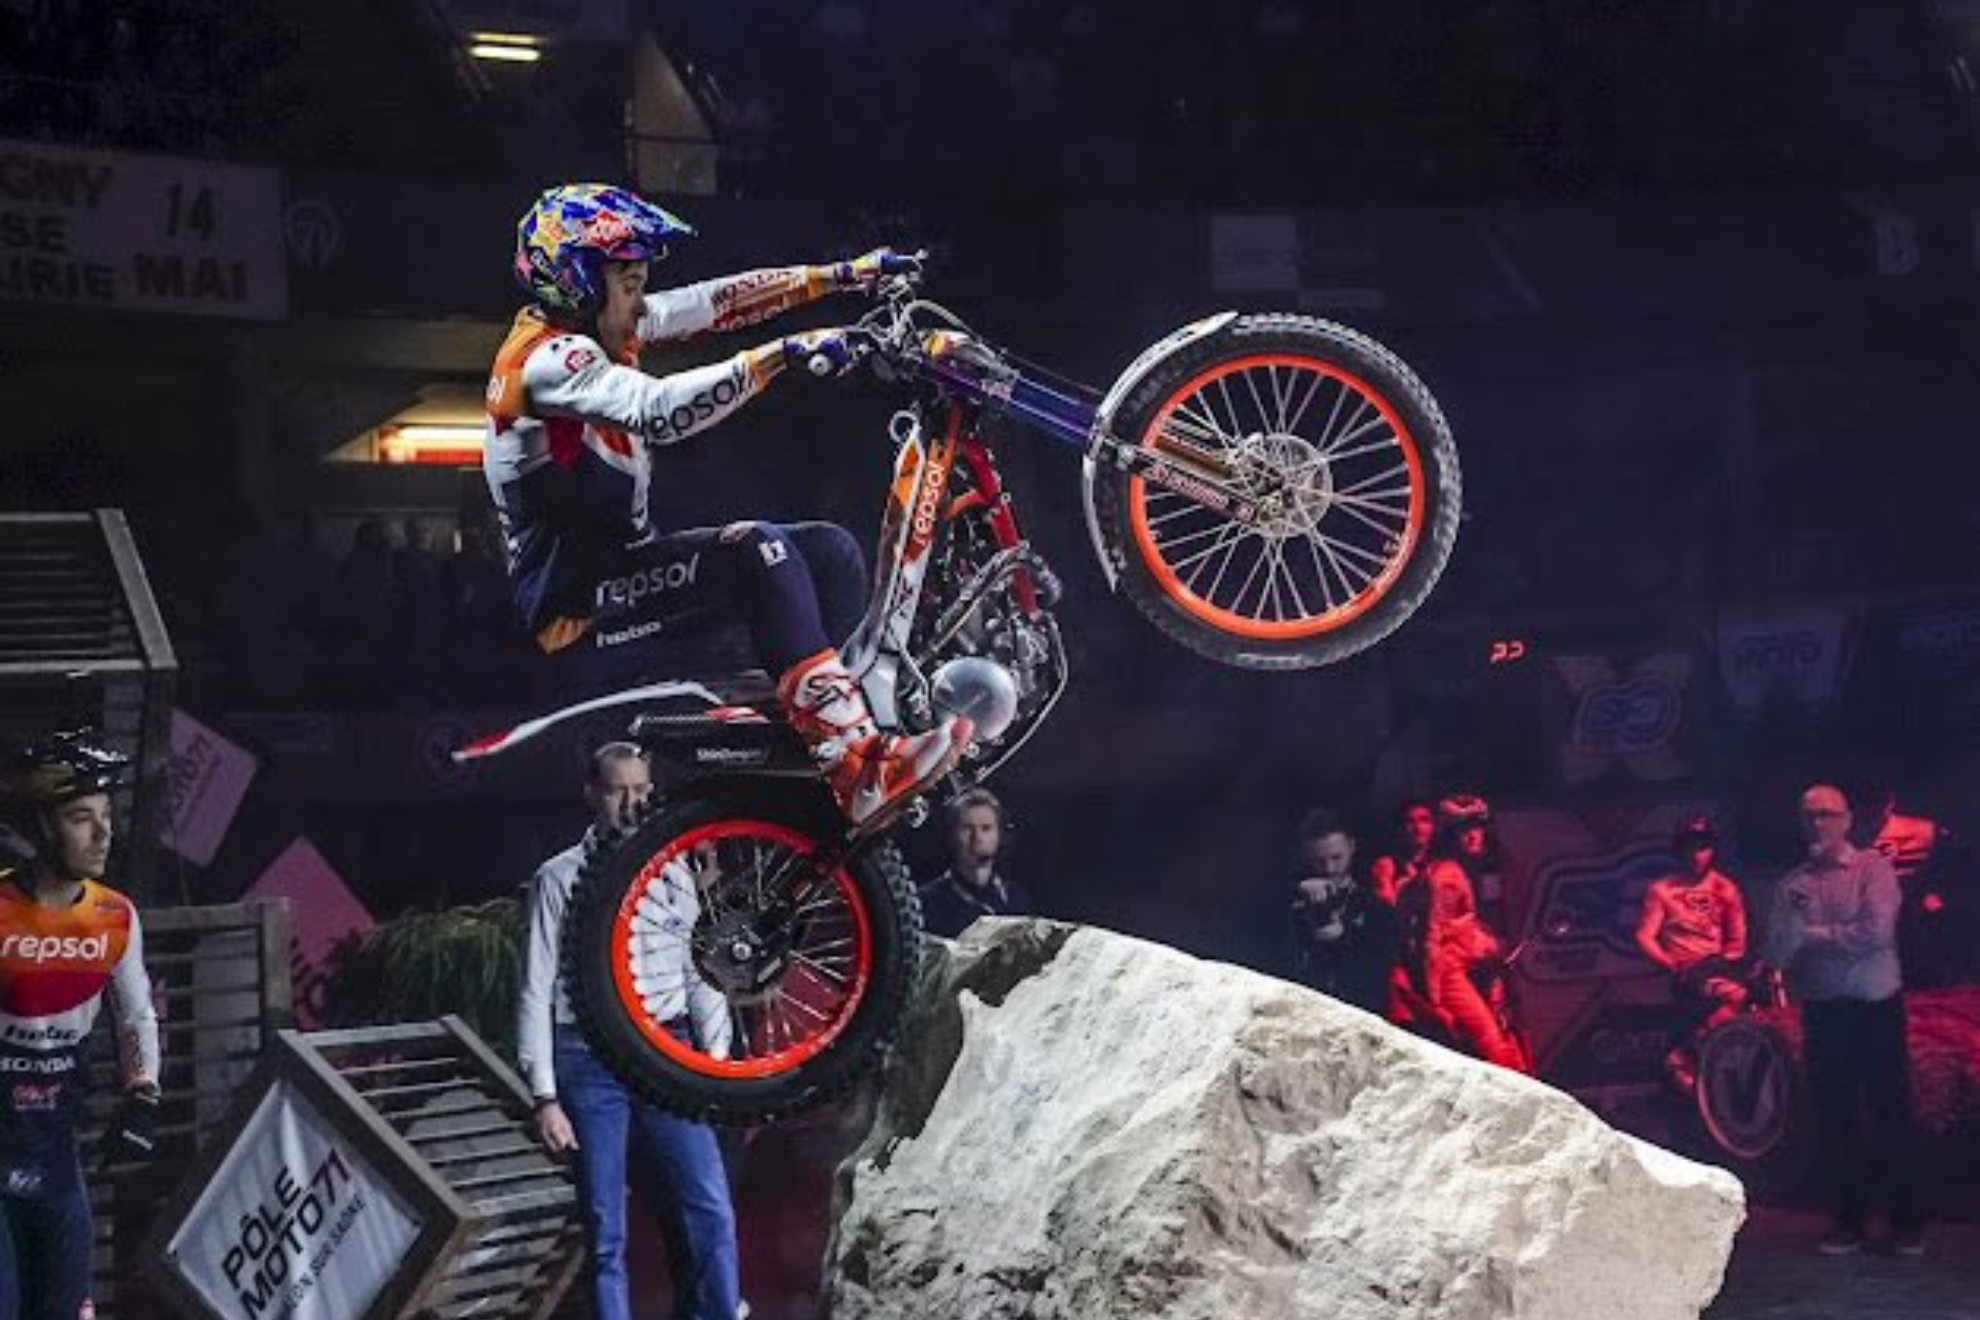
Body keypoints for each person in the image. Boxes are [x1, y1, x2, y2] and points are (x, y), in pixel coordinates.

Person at [485, 183, 971, 833]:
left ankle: (836, 740)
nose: (641, 298)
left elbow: (715, 301)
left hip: (621, 576)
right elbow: (658, 412)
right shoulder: (546, 362)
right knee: (758, 549)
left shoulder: (598, 325)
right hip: (577, 611)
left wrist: (842, 277)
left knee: (830, 551)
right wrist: (783, 356)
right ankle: (855, 768)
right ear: (576, 282)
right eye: (629, 282)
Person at [516, 742, 740, 1320]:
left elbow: (702, 971)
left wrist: (712, 1065)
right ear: (593, 794)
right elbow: (535, 988)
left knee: (708, 1205)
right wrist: (544, 1095)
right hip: (588, 1059)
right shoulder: (558, 878)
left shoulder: (673, 869)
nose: (633, 802)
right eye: (619, 790)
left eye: (642, 790)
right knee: (604, 1221)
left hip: (667, 1049)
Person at [0, 731, 161, 1320]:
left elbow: (136, 1013)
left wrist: (142, 1092)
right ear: (41, 826)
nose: (103, 833)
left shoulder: (115, 916)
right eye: (79, 817)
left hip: (56, 1158)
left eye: (107, 815)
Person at [1761, 784, 1923, 1258]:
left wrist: (1809, 934)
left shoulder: (1874, 868)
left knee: (1891, 1113)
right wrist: (1797, 931)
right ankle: (1848, 1220)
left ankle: (1907, 1221)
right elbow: (1775, 952)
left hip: (1874, 1010)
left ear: (1847, 820)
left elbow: (1875, 933)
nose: (1817, 823)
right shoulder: (1792, 885)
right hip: (1824, 1012)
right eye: (1809, 815)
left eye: (1827, 814)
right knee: (1835, 1119)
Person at [1394, 795, 1528, 1072]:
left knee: (1507, 1038)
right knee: (1490, 1042)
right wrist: (1434, 1000)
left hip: (1478, 970)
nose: (1472, 836)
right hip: (1449, 973)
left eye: (1477, 827)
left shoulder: (1475, 870)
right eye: (1462, 830)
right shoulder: (1447, 876)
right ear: (1449, 836)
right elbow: (1430, 939)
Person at [1635, 813, 1749, 1092]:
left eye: (1703, 846)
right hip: (1683, 969)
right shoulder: (1662, 890)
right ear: (1679, 849)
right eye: (1690, 846)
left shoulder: (1726, 889)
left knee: (1746, 1002)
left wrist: (1727, 960)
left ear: (1713, 849)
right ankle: (1685, 1056)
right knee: (1736, 996)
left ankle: (1686, 1054)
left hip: (1718, 967)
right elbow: (1644, 936)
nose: (1696, 854)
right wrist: (1668, 962)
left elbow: (1738, 940)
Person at [1286, 809, 1399, 1015]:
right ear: (1304, 856)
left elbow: (1374, 977)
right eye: (1318, 861)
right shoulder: (1290, 906)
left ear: (1352, 847)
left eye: (1336, 857)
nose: (1329, 868)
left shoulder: (1378, 911)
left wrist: (1341, 939)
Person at [918, 788, 1032, 938]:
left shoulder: (1017, 898)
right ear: (951, 836)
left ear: (1000, 835)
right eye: (967, 828)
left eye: (986, 828)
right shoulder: (927, 901)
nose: (977, 837)